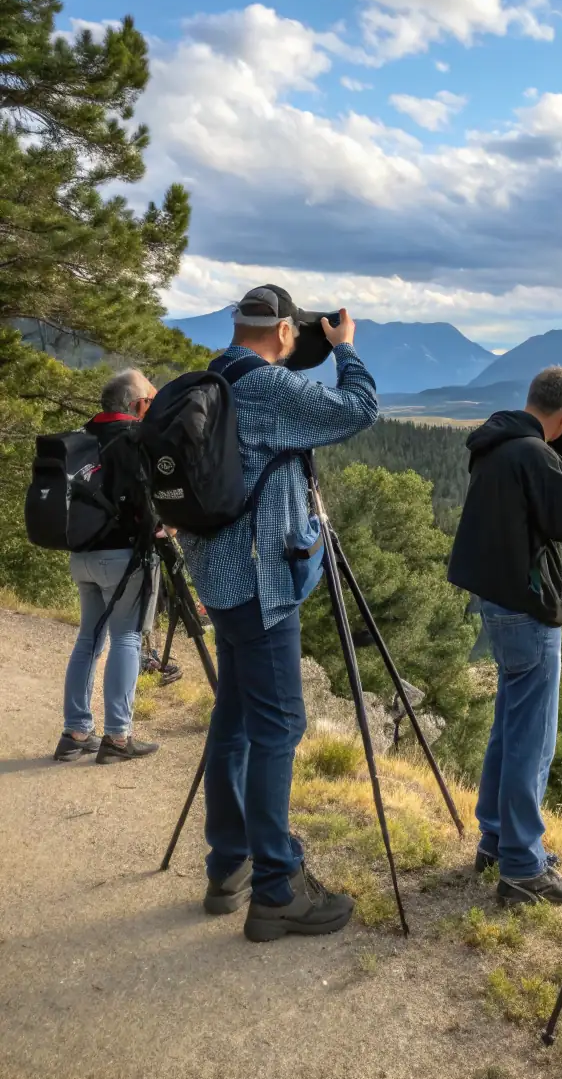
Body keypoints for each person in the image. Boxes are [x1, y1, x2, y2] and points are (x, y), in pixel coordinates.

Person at [179, 285, 378, 943]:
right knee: (278, 727)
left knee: (235, 720)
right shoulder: (265, 388)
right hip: (261, 583)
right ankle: (277, 889)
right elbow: (360, 408)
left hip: (218, 578)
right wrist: (345, 349)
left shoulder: (216, 376)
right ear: (285, 332)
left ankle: (227, 864)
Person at [447, 366, 562, 907]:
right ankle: (522, 865)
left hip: (497, 601)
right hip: (527, 607)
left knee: (510, 723)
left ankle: (497, 839)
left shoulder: (498, 440)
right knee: (532, 738)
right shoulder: (534, 454)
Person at [55, 369, 162, 765]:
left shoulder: (81, 439)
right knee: (126, 640)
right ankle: (118, 737)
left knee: (88, 640)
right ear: (135, 405)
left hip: (80, 555)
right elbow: (144, 501)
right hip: (122, 558)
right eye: (150, 401)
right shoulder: (132, 440)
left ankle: (75, 731)